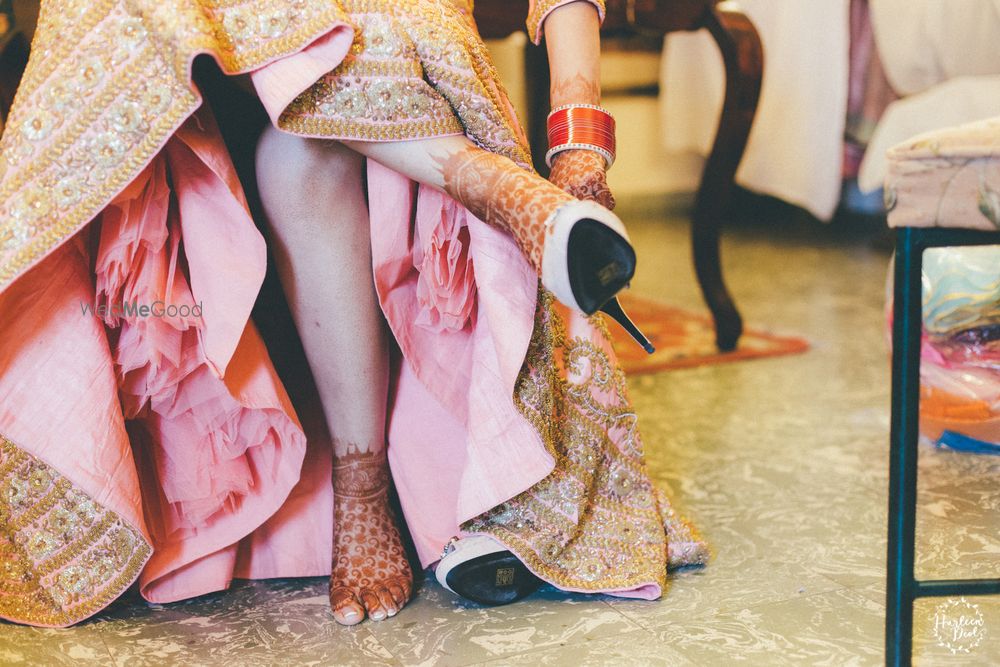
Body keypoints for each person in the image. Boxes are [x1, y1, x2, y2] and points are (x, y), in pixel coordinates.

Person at [0, 0, 706, 629]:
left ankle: (363, 482)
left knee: (300, 153)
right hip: (203, 71)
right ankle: (501, 193)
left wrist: (579, 142)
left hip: (388, 51)